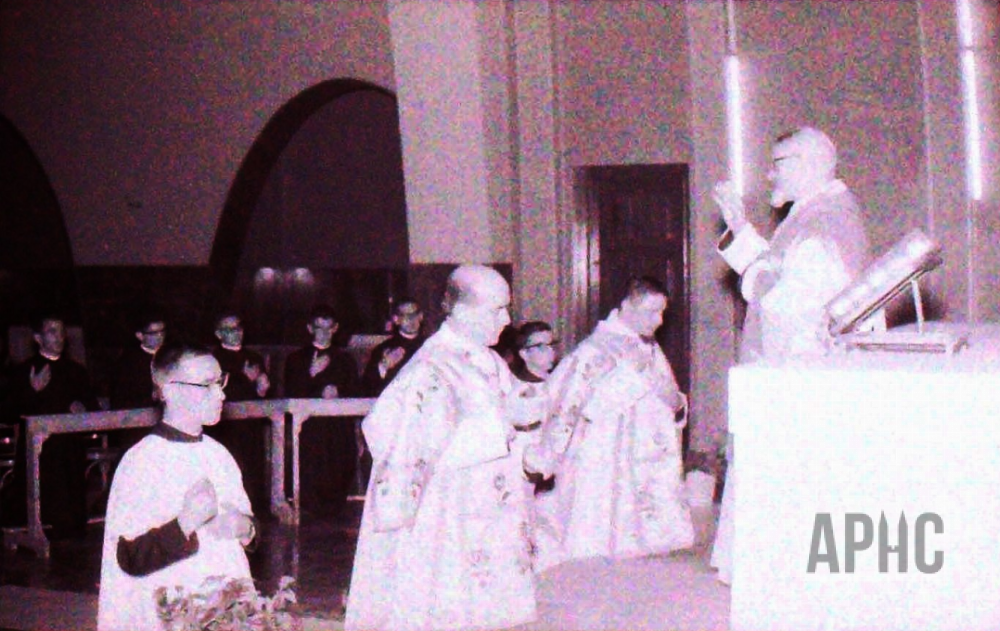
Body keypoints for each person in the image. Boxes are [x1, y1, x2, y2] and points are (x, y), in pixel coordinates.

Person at [709, 126, 876, 585]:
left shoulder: (826, 222)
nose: (769, 175)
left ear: (809, 164)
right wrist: (740, 229)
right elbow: (777, 271)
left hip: (798, 379)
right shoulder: (812, 213)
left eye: (777, 164)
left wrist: (755, 281)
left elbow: (788, 302)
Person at [345, 265, 536, 631]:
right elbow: (413, 452)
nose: (507, 320)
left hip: (490, 508)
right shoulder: (432, 367)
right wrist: (501, 425)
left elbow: (515, 417)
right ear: (463, 311)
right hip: (448, 517)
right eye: (498, 309)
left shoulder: (488, 359)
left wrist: (531, 434)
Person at [526, 277, 693, 571]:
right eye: (652, 312)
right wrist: (632, 378)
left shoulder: (648, 345)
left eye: (662, 312)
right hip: (607, 450)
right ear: (627, 306)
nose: (658, 320)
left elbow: (666, 390)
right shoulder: (594, 350)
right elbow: (576, 406)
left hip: (649, 446)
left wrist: (676, 401)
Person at [98, 342, 255, 631]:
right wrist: (184, 523)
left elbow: (248, 523)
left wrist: (246, 528)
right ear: (169, 391)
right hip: (170, 612)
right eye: (207, 384)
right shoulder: (142, 460)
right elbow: (130, 558)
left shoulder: (219, 453)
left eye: (220, 382)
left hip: (226, 606)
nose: (221, 393)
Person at [8, 314, 99, 538]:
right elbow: (9, 412)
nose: (59, 337)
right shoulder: (24, 371)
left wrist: (84, 409)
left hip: (70, 452)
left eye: (61, 331)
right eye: (52, 332)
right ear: (38, 338)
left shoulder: (76, 371)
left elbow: (94, 411)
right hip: (40, 454)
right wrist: (33, 391)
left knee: (72, 524)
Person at [284, 304, 359, 516]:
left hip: (339, 428)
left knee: (340, 467)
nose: (324, 333)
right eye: (319, 328)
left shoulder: (346, 359)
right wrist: (312, 374)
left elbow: (356, 391)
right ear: (310, 329)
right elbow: (291, 393)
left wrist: (339, 392)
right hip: (311, 429)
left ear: (335, 328)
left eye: (329, 328)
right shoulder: (296, 359)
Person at [207, 311, 269, 514]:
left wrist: (263, 389)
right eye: (230, 329)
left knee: (254, 468)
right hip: (227, 427)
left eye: (238, 328)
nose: (236, 333)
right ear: (219, 334)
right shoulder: (213, 360)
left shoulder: (254, 357)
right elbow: (219, 391)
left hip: (252, 425)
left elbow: (264, 394)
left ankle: (256, 510)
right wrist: (245, 379)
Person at [360, 297, 425, 397]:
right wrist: (384, 366)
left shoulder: (431, 345)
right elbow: (366, 388)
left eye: (414, 314)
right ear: (396, 319)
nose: (411, 319)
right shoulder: (383, 349)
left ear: (420, 316)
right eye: (405, 315)